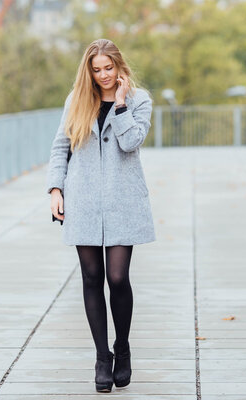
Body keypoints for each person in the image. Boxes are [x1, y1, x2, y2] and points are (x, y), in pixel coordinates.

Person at [46, 38, 156, 393]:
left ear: (119, 66)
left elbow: (131, 142)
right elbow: (60, 146)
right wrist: (55, 189)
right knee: (91, 277)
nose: (104, 75)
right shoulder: (76, 100)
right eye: (97, 69)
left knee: (118, 277)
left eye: (109, 68)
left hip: (123, 200)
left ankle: (122, 348)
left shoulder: (140, 100)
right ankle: (101, 356)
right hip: (83, 199)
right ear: (88, 71)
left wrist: (120, 105)